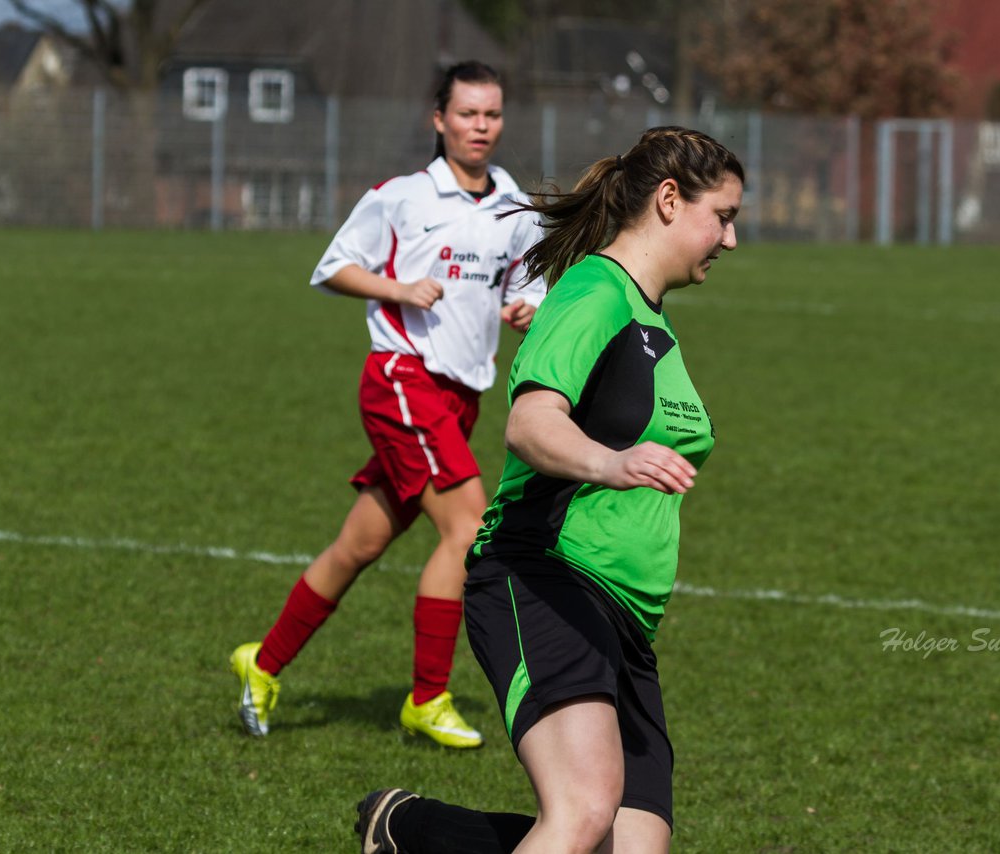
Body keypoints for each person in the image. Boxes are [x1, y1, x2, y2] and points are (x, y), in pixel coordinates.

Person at [353, 125, 745, 853]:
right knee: (584, 812)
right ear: (668, 201)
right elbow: (531, 423)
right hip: (546, 581)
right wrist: (610, 462)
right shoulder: (594, 293)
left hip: (625, 621)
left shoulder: (649, 316)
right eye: (722, 217)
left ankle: (414, 830)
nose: (729, 240)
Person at [229, 60, 546, 749]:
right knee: (467, 531)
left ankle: (263, 662)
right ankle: (427, 698)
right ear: (440, 120)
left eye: (491, 114)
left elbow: (532, 277)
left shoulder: (513, 203)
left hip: (461, 396)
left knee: (359, 544)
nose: (480, 127)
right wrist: (400, 291)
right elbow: (332, 267)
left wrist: (527, 306)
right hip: (402, 381)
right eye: (467, 114)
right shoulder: (403, 196)